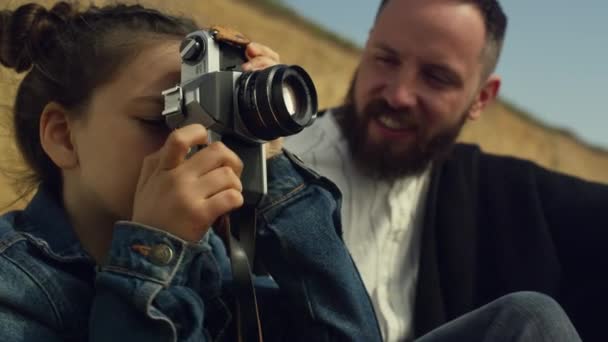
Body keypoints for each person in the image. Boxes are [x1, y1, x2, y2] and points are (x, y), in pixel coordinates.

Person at [0, 2, 382, 341]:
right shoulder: (13, 289)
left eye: (208, 117)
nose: (196, 141)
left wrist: (266, 161)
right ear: (64, 136)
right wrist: (152, 253)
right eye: (163, 118)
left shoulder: (212, 260)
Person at [285, 0, 608, 341]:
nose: (398, 95)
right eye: (386, 59)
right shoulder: (274, 161)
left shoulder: (499, 194)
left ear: (481, 98)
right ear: (366, 47)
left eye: (436, 78)